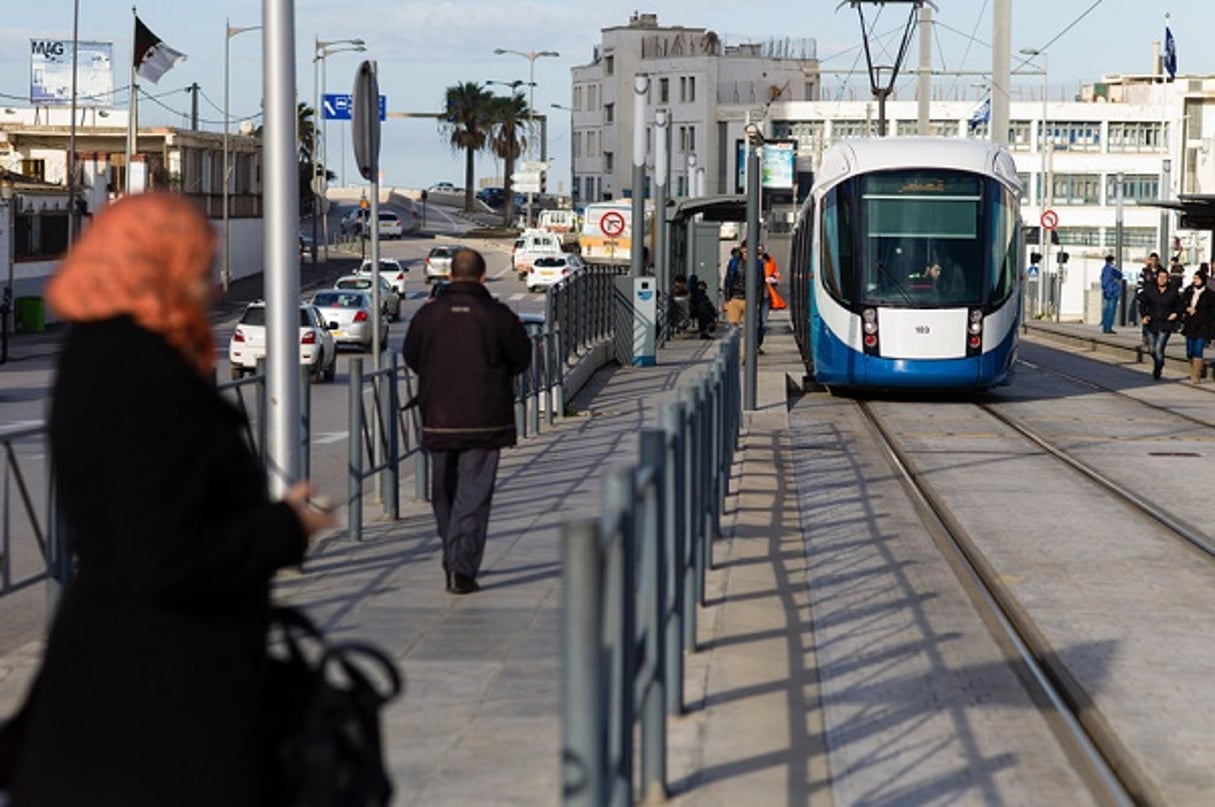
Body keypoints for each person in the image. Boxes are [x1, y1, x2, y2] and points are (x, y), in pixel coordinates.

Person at [0, 193, 334, 805]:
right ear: (155, 267)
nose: (214, 290)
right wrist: (283, 527)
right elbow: (160, 552)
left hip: (135, 683)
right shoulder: (138, 376)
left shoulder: (106, 356)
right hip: (155, 706)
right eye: (199, 270)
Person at [402, 248, 531, 595]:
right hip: (485, 421)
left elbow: (411, 356)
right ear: (483, 277)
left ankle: (452, 554)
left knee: (442, 493)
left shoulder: (428, 316)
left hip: (438, 418)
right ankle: (462, 568)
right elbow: (522, 358)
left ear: (449, 276)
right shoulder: (498, 315)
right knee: (473, 494)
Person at [1139, 265, 1183, 380]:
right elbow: (1143, 304)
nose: (1162, 279)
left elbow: (1179, 305)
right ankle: (1159, 362)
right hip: (1151, 323)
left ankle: (1158, 368)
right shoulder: (1150, 290)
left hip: (1165, 323)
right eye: (1160, 277)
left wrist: (1176, 314)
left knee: (1159, 348)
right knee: (1151, 349)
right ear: (1156, 277)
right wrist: (1144, 315)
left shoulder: (1173, 292)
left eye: (1165, 277)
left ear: (1168, 279)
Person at [1180, 266, 1214, 384]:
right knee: (1190, 351)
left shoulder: (1210, 295)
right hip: (1190, 325)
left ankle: (1196, 375)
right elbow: (1181, 304)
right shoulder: (1189, 291)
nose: (1195, 281)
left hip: (1202, 326)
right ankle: (1194, 367)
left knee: (1198, 350)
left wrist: (1198, 312)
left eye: (1198, 278)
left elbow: (1211, 312)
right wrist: (1187, 309)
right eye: (1194, 278)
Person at [688, 274, 717, 339]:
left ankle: (705, 331)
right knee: (703, 314)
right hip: (698, 310)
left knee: (703, 314)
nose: (702, 287)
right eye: (701, 286)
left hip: (699, 310)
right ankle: (705, 331)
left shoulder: (696, 292)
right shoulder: (696, 293)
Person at [1100, 253, 1123, 333]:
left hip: (1106, 291)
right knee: (1111, 310)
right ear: (1112, 261)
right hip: (1112, 291)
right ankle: (1108, 328)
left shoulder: (1104, 269)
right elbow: (1120, 275)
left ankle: (1105, 327)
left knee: (1106, 310)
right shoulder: (1112, 268)